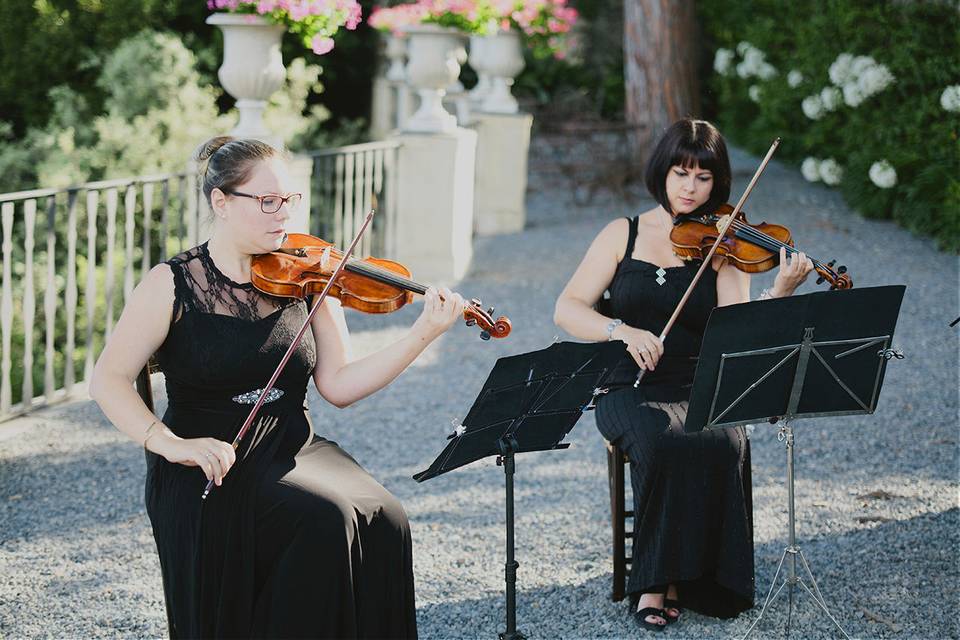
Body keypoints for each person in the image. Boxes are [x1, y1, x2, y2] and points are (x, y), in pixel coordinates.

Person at [89, 136, 466, 638]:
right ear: (221, 203)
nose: (282, 214)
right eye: (267, 201)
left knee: (387, 517)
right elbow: (108, 381)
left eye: (289, 200)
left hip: (292, 443)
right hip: (207, 459)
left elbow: (340, 383)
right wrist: (172, 445)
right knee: (325, 520)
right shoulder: (172, 283)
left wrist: (424, 333)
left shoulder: (310, 276)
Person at [554, 119, 813, 631]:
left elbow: (736, 332)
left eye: (703, 178)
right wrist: (620, 330)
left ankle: (693, 575)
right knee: (662, 439)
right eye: (681, 173)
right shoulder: (622, 233)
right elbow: (567, 308)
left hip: (700, 380)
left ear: (717, 184)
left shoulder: (724, 244)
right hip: (630, 384)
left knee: (723, 442)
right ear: (662, 173)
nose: (690, 189)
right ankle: (655, 580)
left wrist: (781, 291)